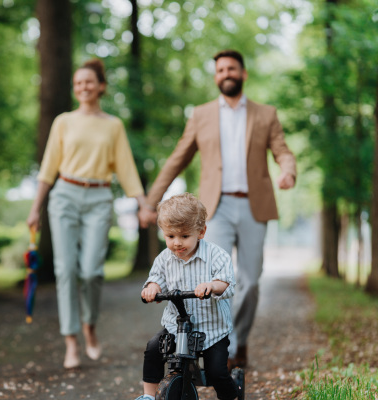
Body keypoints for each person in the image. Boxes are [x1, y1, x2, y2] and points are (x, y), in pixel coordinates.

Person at [138, 49, 296, 369]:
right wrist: (150, 202)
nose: (226, 73)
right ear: (216, 77)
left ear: (243, 73)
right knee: (215, 278)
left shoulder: (266, 114)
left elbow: (282, 150)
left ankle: (241, 338)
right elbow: (177, 158)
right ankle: (225, 347)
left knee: (250, 281)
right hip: (216, 208)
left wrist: (288, 170)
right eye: (221, 70)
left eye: (232, 68)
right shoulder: (201, 114)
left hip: (255, 205)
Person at [26, 59, 147, 369]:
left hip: (99, 196)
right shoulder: (63, 121)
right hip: (64, 194)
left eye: (89, 82)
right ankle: (70, 342)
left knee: (91, 270)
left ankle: (89, 327)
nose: (83, 87)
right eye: (78, 83)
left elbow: (126, 168)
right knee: (65, 271)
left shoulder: (113, 125)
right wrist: (35, 209)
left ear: (101, 86)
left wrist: (143, 202)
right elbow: (48, 168)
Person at [136, 193, 239, 400]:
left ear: (201, 232)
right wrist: (152, 289)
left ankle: (231, 395)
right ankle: (148, 396)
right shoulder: (164, 259)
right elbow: (157, 278)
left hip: (212, 329)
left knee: (217, 371)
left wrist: (211, 285)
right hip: (176, 326)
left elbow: (226, 283)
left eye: (184, 236)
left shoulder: (216, 255)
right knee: (154, 349)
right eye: (170, 236)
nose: (176, 243)